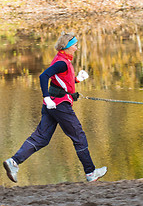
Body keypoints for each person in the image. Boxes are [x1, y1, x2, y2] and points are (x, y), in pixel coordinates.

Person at [3, 32, 107, 183]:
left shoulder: (62, 60)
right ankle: (91, 173)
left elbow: (59, 82)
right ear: (68, 47)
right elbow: (43, 77)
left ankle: (14, 162)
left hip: (52, 104)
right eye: (75, 46)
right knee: (78, 135)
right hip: (59, 105)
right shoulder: (62, 62)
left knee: (42, 137)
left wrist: (77, 79)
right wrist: (46, 96)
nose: (77, 48)